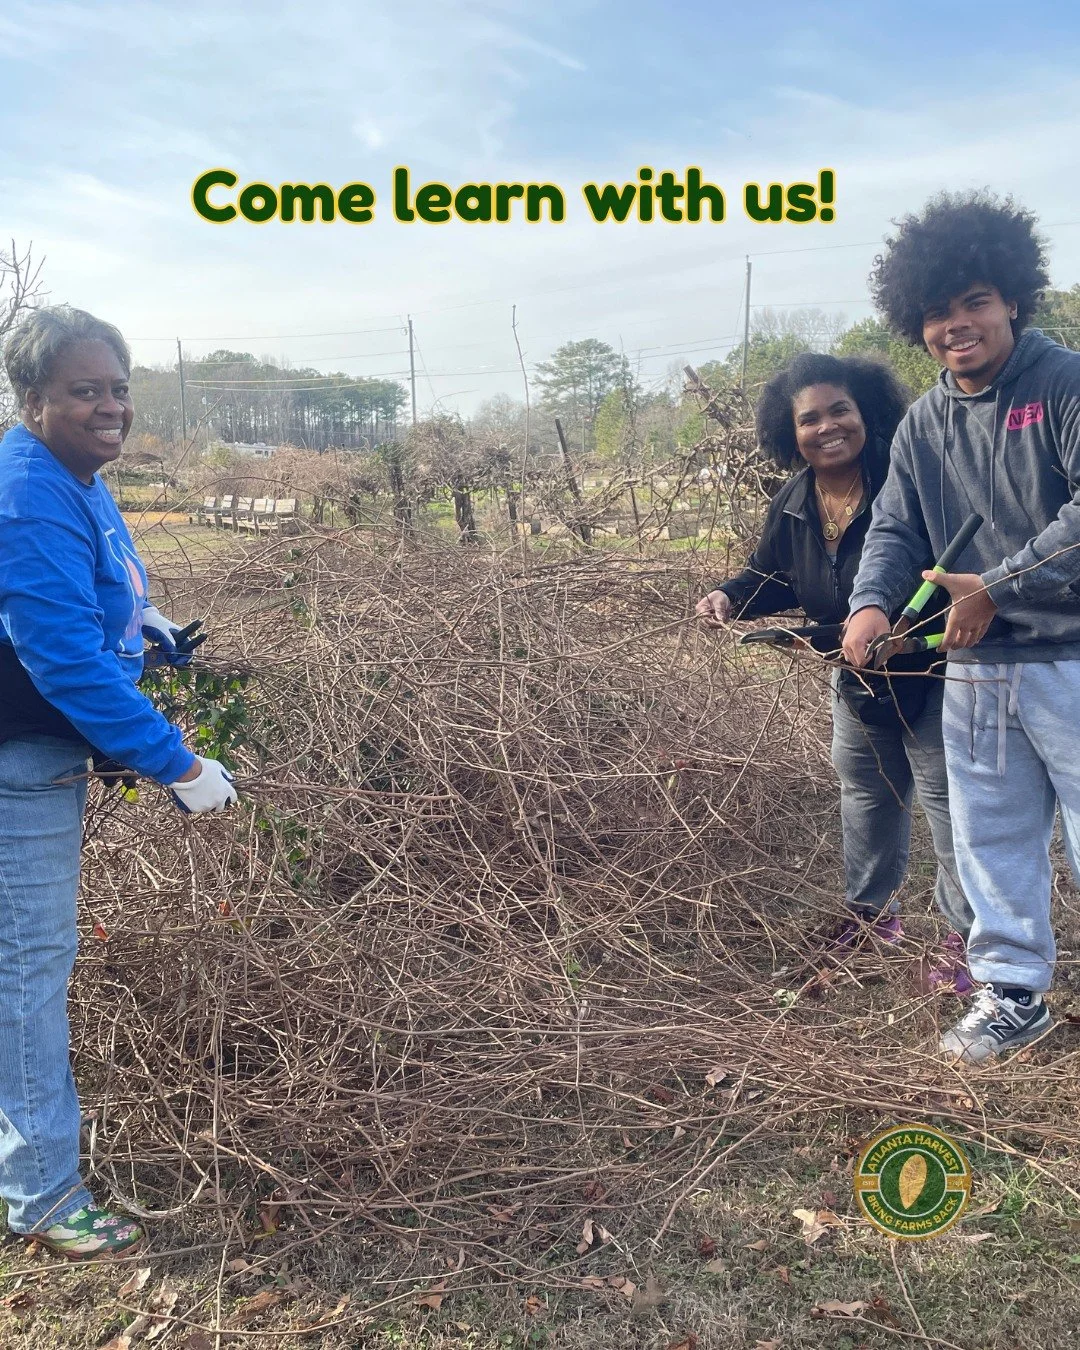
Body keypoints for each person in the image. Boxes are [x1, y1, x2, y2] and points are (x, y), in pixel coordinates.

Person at [0, 306, 238, 1257]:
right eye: (84, 390)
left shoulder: (77, 477)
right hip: (20, 760)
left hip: (42, 750)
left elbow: (99, 595)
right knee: (29, 969)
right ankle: (44, 1196)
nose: (110, 407)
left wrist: (151, 627)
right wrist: (174, 761)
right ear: (34, 399)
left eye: (119, 389)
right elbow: (58, 656)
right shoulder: (27, 488)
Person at [844, 190, 1080, 1064]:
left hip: (1071, 655)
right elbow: (898, 527)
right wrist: (872, 604)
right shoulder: (924, 423)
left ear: (1014, 297)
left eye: (975, 302)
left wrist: (1001, 587)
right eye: (938, 313)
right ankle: (1013, 994)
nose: (957, 326)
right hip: (977, 665)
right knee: (992, 836)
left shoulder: (1065, 383)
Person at [696, 353, 972, 962]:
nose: (827, 427)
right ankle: (873, 919)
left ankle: (963, 938)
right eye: (809, 419)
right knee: (868, 795)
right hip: (853, 680)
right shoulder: (794, 498)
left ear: (866, 412)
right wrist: (731, 595)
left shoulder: (903, 481)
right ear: (788, 432)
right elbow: (773, 574)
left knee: (947, 801)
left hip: (931, 671)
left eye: (839, 410)